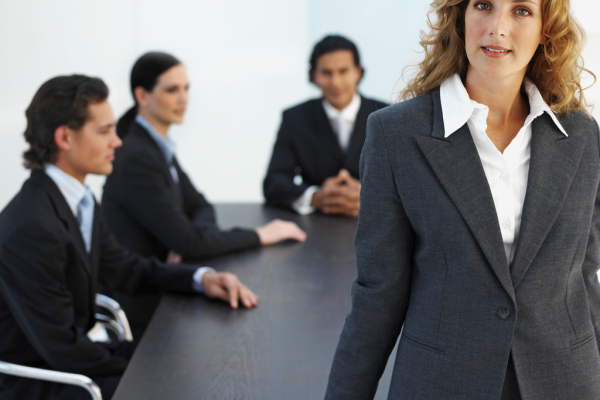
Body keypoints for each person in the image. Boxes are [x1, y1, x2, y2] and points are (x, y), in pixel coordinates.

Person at [326, 0, 599, 399]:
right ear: (460, 18)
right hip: (442, 382)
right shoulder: (395, 135)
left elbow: (585, 275)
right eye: (484, 5)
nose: (498, 27)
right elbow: (378, 292)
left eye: (521, 10)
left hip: (566, 380)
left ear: (546, 29)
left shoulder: (581, 135)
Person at [0, 75, 258, 400]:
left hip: (73, 360)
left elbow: (126, 269)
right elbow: (61, 349)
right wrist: (149, 371)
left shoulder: (78, 199)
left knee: (198, 362)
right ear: (65, 137)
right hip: (43, 381)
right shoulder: (31, 226)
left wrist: (201, 278)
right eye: (105, 131)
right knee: (183, 382)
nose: (117, 141)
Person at [101, 52, 305, 335]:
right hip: (145, 309)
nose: (184, 99)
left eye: (186, 89)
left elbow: (199, 205)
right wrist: (261, 235)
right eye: (172, 90)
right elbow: (189, 241)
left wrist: (186, 238)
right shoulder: (137, 156)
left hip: (169, 288)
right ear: (142, 95)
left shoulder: (155, 146)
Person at [263, 35, 387, 216]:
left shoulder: (386, 116)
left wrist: (370, 195)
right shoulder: (294, 118)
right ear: (314, 76)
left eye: (343, 71)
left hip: (378, 225)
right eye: (326, 73)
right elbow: (274, 182)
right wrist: (316, 197)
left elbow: (408, 180)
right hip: (317, 228)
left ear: (358, 73)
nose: (335, 82)